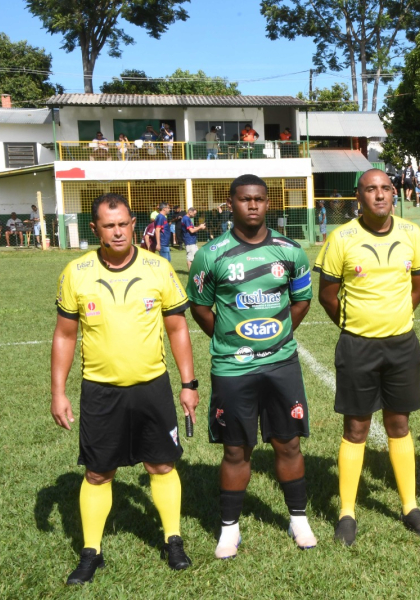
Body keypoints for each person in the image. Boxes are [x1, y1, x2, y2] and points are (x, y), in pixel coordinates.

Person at [51, 193, 198, 584]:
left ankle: (173, 540)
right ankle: (91, 552)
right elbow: (65, 336)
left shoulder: (159, 268)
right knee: (98, 473)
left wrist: (188, 383)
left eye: (122, 224)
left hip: (153, 387)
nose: (117, 232)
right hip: (100, 391)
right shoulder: (76, 272)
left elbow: (178, 327)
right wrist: (58, 392)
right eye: (108, 225)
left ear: (133, 224)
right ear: (95, 229)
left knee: (161, 464)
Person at [187, 174, 317, 557]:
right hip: (233, 367)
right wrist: (229, 340)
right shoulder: (212, 255)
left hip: (281, 364)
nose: (254, 205)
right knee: (235, 449)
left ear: (267, 202)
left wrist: (277, 336)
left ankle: (298, 520)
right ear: (231, 203)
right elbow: (200, 306)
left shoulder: (290, 251)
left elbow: (302, 299)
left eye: (259, 199)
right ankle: (229, 529)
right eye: (245, 199)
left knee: (288, 443)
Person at [314, 168, 420, 546]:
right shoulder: (341, 238)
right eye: (371, 189)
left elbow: (419, 283)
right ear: (359, 196)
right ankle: (347, 511)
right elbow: (327, 294)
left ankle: (410, 506)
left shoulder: (411, 233)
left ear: (394, 194)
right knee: (356, 428)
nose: (380, 195)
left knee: (399, 424)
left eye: (386, 188)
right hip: (358, 347)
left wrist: (397, 317)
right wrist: (357, 326)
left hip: (401, 345)